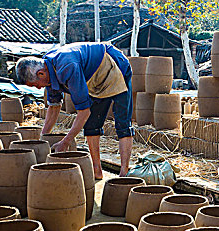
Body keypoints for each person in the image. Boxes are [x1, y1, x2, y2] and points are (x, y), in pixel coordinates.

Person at [15, 42, 134, 179]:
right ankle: (97, 170)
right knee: (91, 125)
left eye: (35, 85)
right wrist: (43, 140)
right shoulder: (48, 71)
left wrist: (66, 142)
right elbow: (54, 107)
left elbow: (84, 111)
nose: (38, 88)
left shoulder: (67, 66)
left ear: (41, 73)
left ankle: (124, 174)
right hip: (91, 78)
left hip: (112, 66)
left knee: (122, 122)